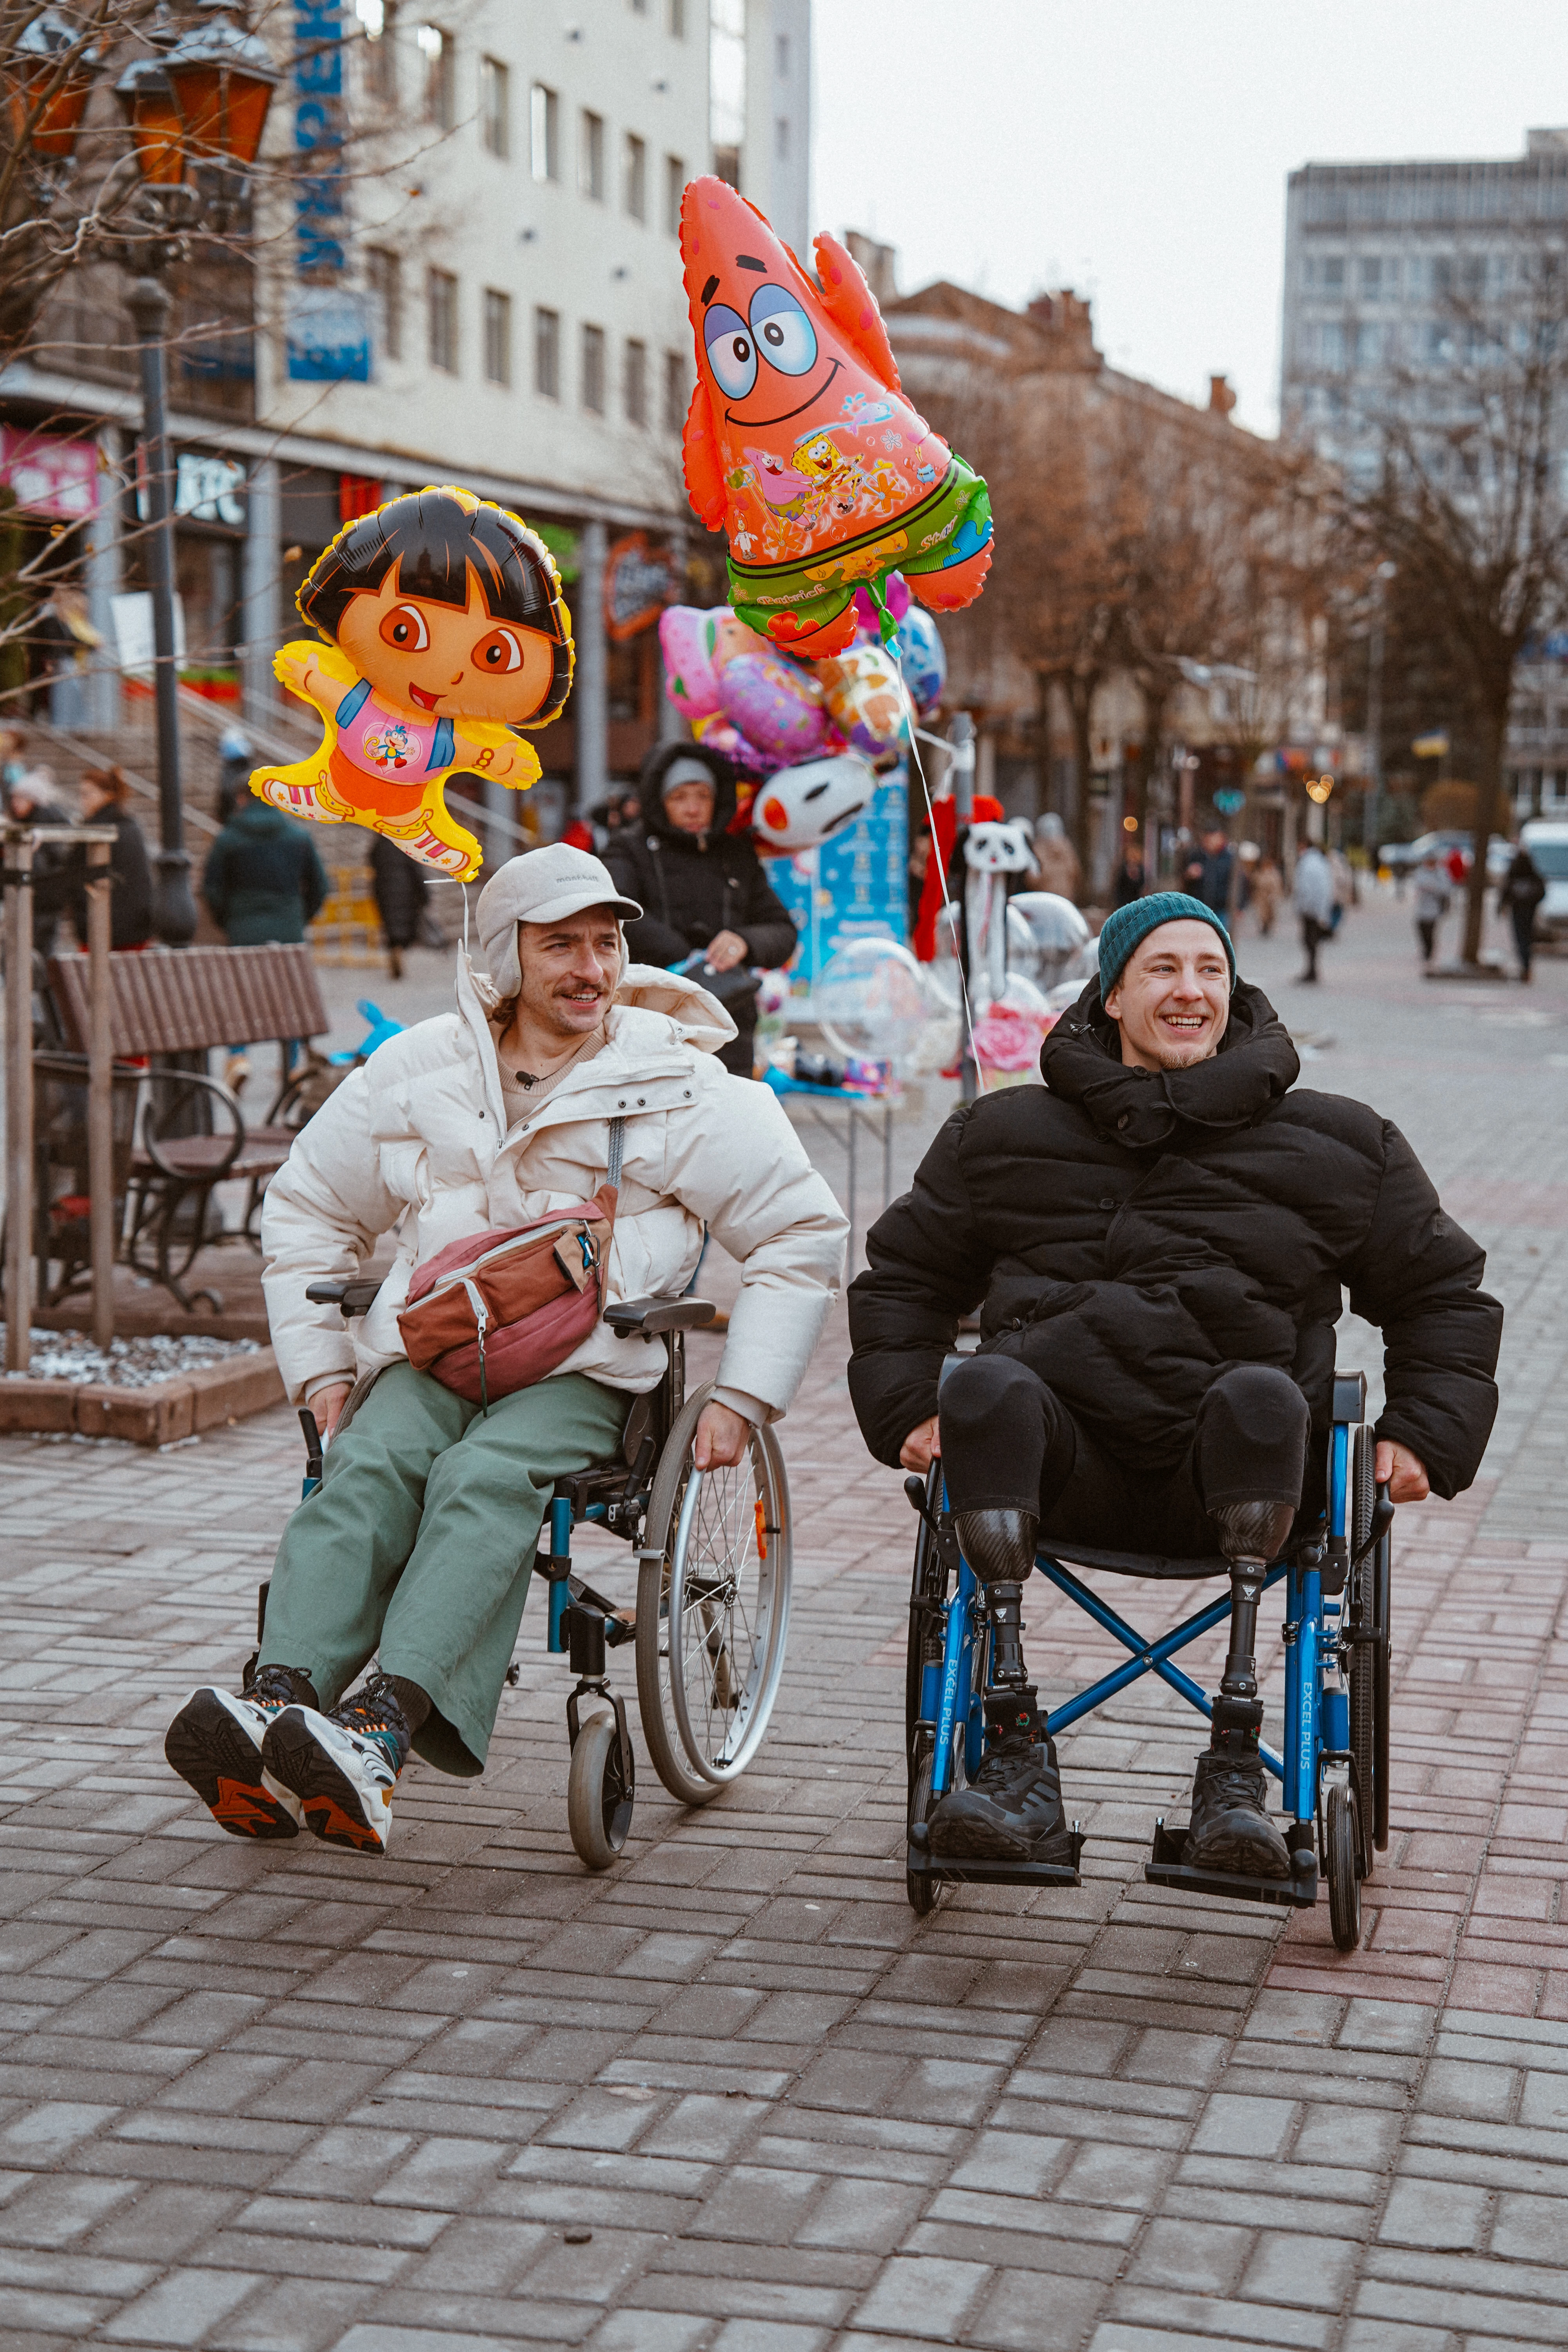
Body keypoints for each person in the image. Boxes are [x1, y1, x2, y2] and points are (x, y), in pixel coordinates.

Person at [162, 843, 848, 1853]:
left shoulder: (681, 1080)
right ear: (501, 957)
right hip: (437, 1349)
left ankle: (379, 1729)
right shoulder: (415, 1068)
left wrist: (745, 1398)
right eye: (560, 944)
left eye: (605, 944)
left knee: (482, 1476)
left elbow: (799, 1230)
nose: (589, 969)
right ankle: (279, 1700)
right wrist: (319, 1371)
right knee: (369, 1465)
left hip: (583, 1369)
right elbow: (307, 1206)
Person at [847, 891, 1500, 1879]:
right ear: (1109, 994)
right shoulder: (999, 1136)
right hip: (1051, 1472)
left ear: (1234, 991)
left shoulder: (1341, 1143)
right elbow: (904, 1275)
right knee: (982, 1385)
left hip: (1245, 1479)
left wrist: (1420, 1434)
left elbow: (1440, 1290)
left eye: (1209, 969)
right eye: (1161, 968)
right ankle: (1016, 1756)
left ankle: (1235, 1773)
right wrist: (905, 1409)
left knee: (1264, 1394)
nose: (1189, 990)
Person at [604, 743, 798, 1079]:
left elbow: (782, 930)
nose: (693, 809)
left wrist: (744, 942)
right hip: (650, 1014)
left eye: (702, 796)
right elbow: (615, 911)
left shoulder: (737, 854)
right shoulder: (629, 849)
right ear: (661, 802)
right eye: (680, 797)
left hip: (728, 1019)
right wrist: (685, 957)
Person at [36, 766, 153, 953]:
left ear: (107, 795)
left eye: (88, 794)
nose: (83, 801)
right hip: (135, 928)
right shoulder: (129, 826)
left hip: (103, 929)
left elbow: (72, 876)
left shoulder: (97, 831)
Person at [369, 830, 428, 980]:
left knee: (390, 925)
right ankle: (400, 950)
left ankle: (395, 949)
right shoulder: (406, 846)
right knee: (405, 924)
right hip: (406, 891)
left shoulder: (379, 845)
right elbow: (417, 871)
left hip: (384, 891)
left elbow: (372, 863)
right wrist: (425, 895)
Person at [1498, 842, 1546, 982]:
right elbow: (1541, 892)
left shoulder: (1515, 872)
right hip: (1528, 910)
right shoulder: (1533, 874)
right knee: (1526, 938)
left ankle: (1525, 966)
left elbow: (1505, 891)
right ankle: (1526, 966)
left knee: (1521, 938)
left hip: (1519, 910)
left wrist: (1503, 906)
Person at [1292, 840, 1335, 982]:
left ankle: (1312, 971)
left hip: (1310, 909)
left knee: (1309, 941)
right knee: (1312, 941)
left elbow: (1305, 888)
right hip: (1317, 909)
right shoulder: (1321, 862)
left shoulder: (1307, 863)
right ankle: (1312, 970)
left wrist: (1303, 907)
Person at [1183, 824, 1234, 926]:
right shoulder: (1196, 855)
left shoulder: (1228, 859)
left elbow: (1237, 883)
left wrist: (1239, 906)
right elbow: (1184, 881)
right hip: (1198, 908)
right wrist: (1189, 875)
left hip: (1221, 909)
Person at [1412, 849, 1451, 969]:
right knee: (1421, 930)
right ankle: (1426, 952)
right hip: (1421, 909)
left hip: (1434, 909)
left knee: (1431, 933)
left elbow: (1445, 889)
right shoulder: (1421, 872)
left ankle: (1429, 956)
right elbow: (1418, 885)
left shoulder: (1440, 873)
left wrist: (1432, 887)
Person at [1031, 811, 1081, 902]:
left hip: (1046, 900)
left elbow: (1033, 880)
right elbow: (1076, 874)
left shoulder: (1039, 851)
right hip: (1066, 900)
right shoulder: (1067, 850)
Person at [1249, 853, 1283, 938]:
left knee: (1270, 914)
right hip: (1260, 897)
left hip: (1270, 897)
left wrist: (1275, 895)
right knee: (1261, 914)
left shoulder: (1274, 874)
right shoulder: (1258, 873)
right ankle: (1264, 927)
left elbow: (1277, 886)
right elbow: (1254, 883)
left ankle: (1268, 927)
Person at [1111, 843, 1144, 907]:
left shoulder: (1141, 870)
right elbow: (1118, 887)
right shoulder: (1122, 869)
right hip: (1123, 903)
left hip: (1137, 903)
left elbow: (1142, 886)